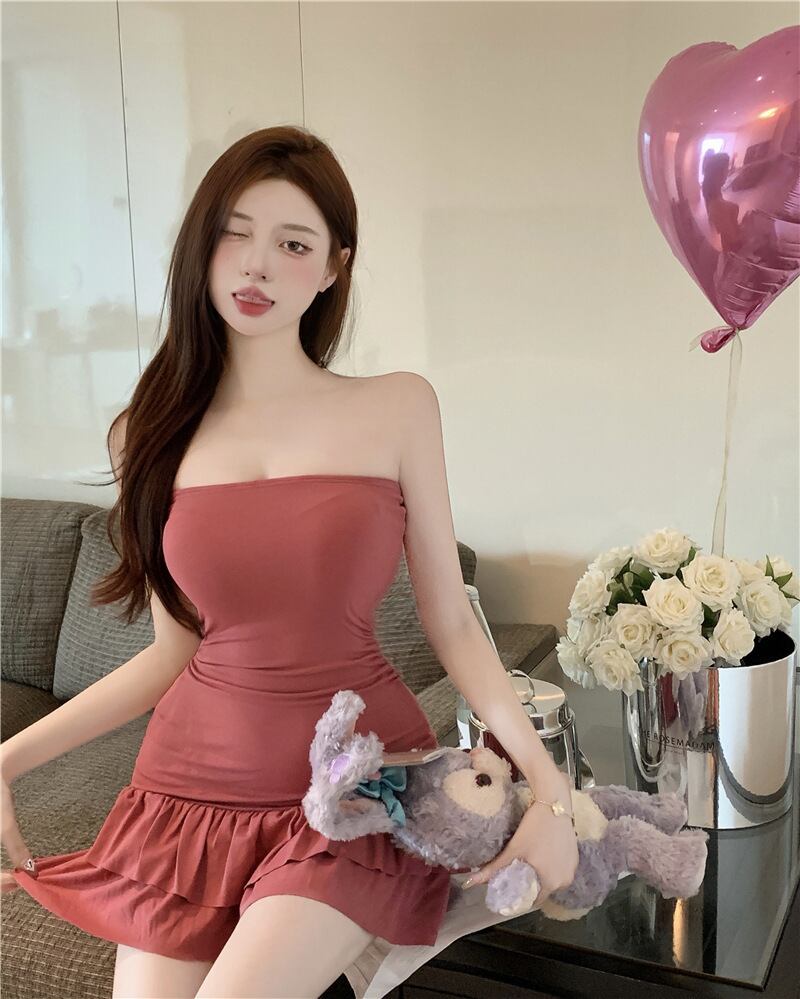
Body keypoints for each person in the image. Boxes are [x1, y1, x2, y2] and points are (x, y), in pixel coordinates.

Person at [1, 125, 578, 998]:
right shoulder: (146, 433)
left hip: (355, 788)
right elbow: (171, 653)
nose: (257, 264)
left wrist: (551, 790)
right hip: (186, 796)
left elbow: (453, 621)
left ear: (335, 266)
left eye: (293, 243)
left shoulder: (396, 407)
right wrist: (8, 759)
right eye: (234, 234)